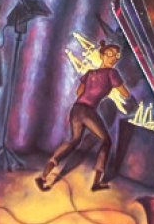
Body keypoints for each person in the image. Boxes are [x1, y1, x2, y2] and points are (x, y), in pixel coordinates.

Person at [36, 42, 134, 192]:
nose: (113, 58)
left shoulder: (89, 73)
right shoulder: (111, 73)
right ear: (102, 55)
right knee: (106, 141)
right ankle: (97, 182)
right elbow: (125, 94)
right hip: (87, 111)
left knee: (74, 140)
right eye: (110, 54)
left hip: (76, 109)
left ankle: (43, 177)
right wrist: (110, 92)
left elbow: (79, 93)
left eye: (116, 55)